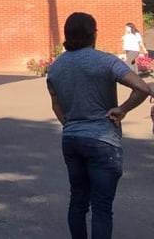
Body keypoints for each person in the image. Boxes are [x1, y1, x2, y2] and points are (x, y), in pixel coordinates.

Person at [46, 12, 153, 239]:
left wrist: (73, 124)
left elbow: (56, 105)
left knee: (78, 201)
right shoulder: (105, 60)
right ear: (92, 34)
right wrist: (122, 109)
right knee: (102, 207)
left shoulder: (55, 68)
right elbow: (142, 88)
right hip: (103, 140)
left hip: (72, 139)